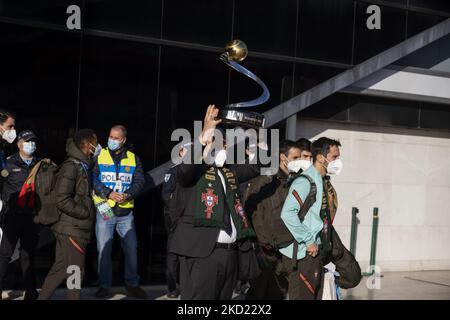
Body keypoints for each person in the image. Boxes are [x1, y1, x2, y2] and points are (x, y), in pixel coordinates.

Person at [169, 105, 261, 300]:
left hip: (229, 255)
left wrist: (257, 138)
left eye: (225, 145)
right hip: (202, 254)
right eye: (217, 143)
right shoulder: (193, 173)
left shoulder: (228, 173)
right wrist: (204, 135)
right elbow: (186, 169)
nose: (222, 148)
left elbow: (254, 166)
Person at [244, 139, 311, 300]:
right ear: (283, 158)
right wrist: (264, 242)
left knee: (279, 293)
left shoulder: (296, 182)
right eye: (295, 158)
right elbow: (250, 213)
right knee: (258, 294)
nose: (299, 162)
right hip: (264, 253)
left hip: (286, 252)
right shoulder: (263, 181)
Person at [38, 129, 99, 300]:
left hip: (73, 227)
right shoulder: (72, 166)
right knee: (75, 272)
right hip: (73, 228)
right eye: (96, 142)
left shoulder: (83, 165)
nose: (97, 146)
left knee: (61, 269)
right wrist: (84, 212)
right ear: (88, 145)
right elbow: (62, 199)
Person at [279, 137, 342, 300]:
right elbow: (287, 213)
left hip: (315, 254)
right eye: (334, 157)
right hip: (304, 254)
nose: (338, 161)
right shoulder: (305, 181)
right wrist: (308, 240)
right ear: (321, 158)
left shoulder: (321, 181)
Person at [92, 125, 146, 299]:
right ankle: (104, 286)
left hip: (125, 213)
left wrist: (128, 194)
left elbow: (139, 181)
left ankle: (132, 284)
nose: (112, 140)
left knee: (131, 249)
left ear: (123, 140)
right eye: (110, 137)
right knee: (104, 250)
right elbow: (93, 179)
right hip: (105, 210)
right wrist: (108, 193)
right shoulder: (100, 155)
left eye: (116, 138)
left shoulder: (133, 158)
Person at [0, 130, 40, 300]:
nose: (31, 144)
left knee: (28, 254)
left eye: (33, 141)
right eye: (27, 141)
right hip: (12, 217)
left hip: (31, 217)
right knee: (4, 254)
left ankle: (30, 291)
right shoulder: (7, 163)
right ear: (19, 144)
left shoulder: (40, 164)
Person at [161, 145, 189, 299]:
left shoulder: (199, 171)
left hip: (191, 219)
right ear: (180, 152)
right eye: (186, 150)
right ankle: (172, 287)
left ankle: (186, 286)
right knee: (173, 253)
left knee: (188, 255)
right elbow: (166, 196)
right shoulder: (174, 170)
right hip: (175, 218)